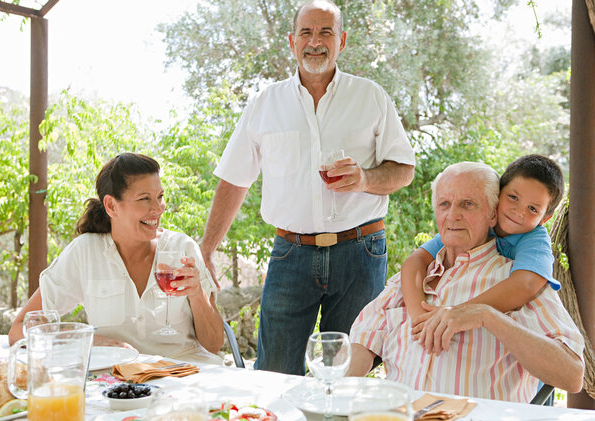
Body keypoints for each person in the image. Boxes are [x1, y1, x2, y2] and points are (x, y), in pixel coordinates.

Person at [200, 0, 415, 375]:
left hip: (361, 253)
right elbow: (235, 178)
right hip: (291, 254)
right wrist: (206, 249)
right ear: (292, 41)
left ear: (342, 40)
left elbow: (404, 170)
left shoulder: (371, 97)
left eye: (325, 32)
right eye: (306, 32)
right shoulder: (265, 104)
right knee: (274, 373)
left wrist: (365, 179)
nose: (315, 41)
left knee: (347, 375)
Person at [347, 162, 584, 402]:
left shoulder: (519, 278)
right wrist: (333, 401)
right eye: (444, 204)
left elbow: (573, 376)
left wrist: (487, 316)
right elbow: (363, 339)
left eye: (467, 204)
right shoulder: (412, 279)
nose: (453, 215)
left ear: (493, 213)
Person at [9, 153, 224, 364]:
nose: (158, 208)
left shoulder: (182, 248)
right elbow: (19, 329)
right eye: (144, 199)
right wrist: (85, 341)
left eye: (160, 197)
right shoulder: (85, 252)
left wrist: (197, 295)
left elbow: (214, 344)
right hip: (120, 385)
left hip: (186, 376)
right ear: (111, 206)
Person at [401, 155, 565, 345]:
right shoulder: (475, 223)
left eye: (533, 209)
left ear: (544, 219)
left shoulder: (534, 240)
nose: (519, 212)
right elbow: (415, 262)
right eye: (513, 198)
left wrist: (457, 313)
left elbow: (526, 284)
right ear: (497, 196)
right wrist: (419, 317)